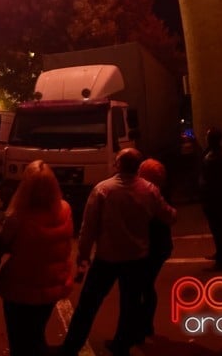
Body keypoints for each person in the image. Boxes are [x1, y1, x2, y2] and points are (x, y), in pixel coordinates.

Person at [56, 148, 176, 356]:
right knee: (130, 304)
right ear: (138, 167)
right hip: (137, 257)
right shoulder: (149, 190)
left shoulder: (103, 189)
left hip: (107, 257)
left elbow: (89, 227)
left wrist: (83, 255)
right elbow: (169, 216)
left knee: (88, 304)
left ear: (118, 165)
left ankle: (71, 346)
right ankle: (122, 345)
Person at [0, 160, 74, 356]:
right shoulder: (64, 209)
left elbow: (3, 243)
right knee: (36, 333)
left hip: (19, 287)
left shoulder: (17, 216)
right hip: (51, 286)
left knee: (18, 338)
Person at [136, 158, 174, 342]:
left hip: (153, 247)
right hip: (161, 247)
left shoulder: (151, 195)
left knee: (143, 286)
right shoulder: (160, 192)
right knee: (146, 286)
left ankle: (143, 327)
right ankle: (145, 326)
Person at [199, 127, 222, 270]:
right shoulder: (219, 153)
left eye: (207, 136)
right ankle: (220, 254)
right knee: (219, 228)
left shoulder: (213, 157)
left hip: (214, 197)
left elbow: (209, 178)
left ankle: (221, 260)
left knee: (218, 228)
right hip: (217, 196)